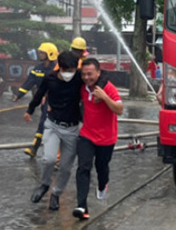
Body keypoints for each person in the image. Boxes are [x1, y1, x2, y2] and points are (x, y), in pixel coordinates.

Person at [26, 51, 83, 211]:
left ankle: (56, 193)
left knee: (65, 167)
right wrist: (29, 110)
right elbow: (39, 95)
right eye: (67, 70)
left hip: (71, 128)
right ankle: (44, 185)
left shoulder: (79, 78)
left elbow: (98, 78)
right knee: (49, 159)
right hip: (53, 125)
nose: (69, 74)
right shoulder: (50, 79)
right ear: (61, 68)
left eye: (72, 70)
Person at [73, 58, 123, 221]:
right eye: (84, 74)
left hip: (106, 138)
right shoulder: (82, 87)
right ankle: (82, 207)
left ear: (98, 73)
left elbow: (120, 110)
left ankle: (103, 185)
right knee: (83, 167)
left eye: (90, 74)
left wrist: (104, 97)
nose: (87, 78)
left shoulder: (108, 87)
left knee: (102, 168)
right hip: (87, 134)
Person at [14, 42, 59, 158]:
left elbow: (60, 86)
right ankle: (35, 148)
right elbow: (30, 82)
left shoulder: (56, 69)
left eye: (42, 53)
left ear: (50, 54)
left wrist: (48, 96)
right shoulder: (38, 68)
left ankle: (54, 151)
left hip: (56, 101)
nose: (40, 54)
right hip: (44, 101)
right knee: (43, 122)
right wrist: (19, 94)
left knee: (54, 125)